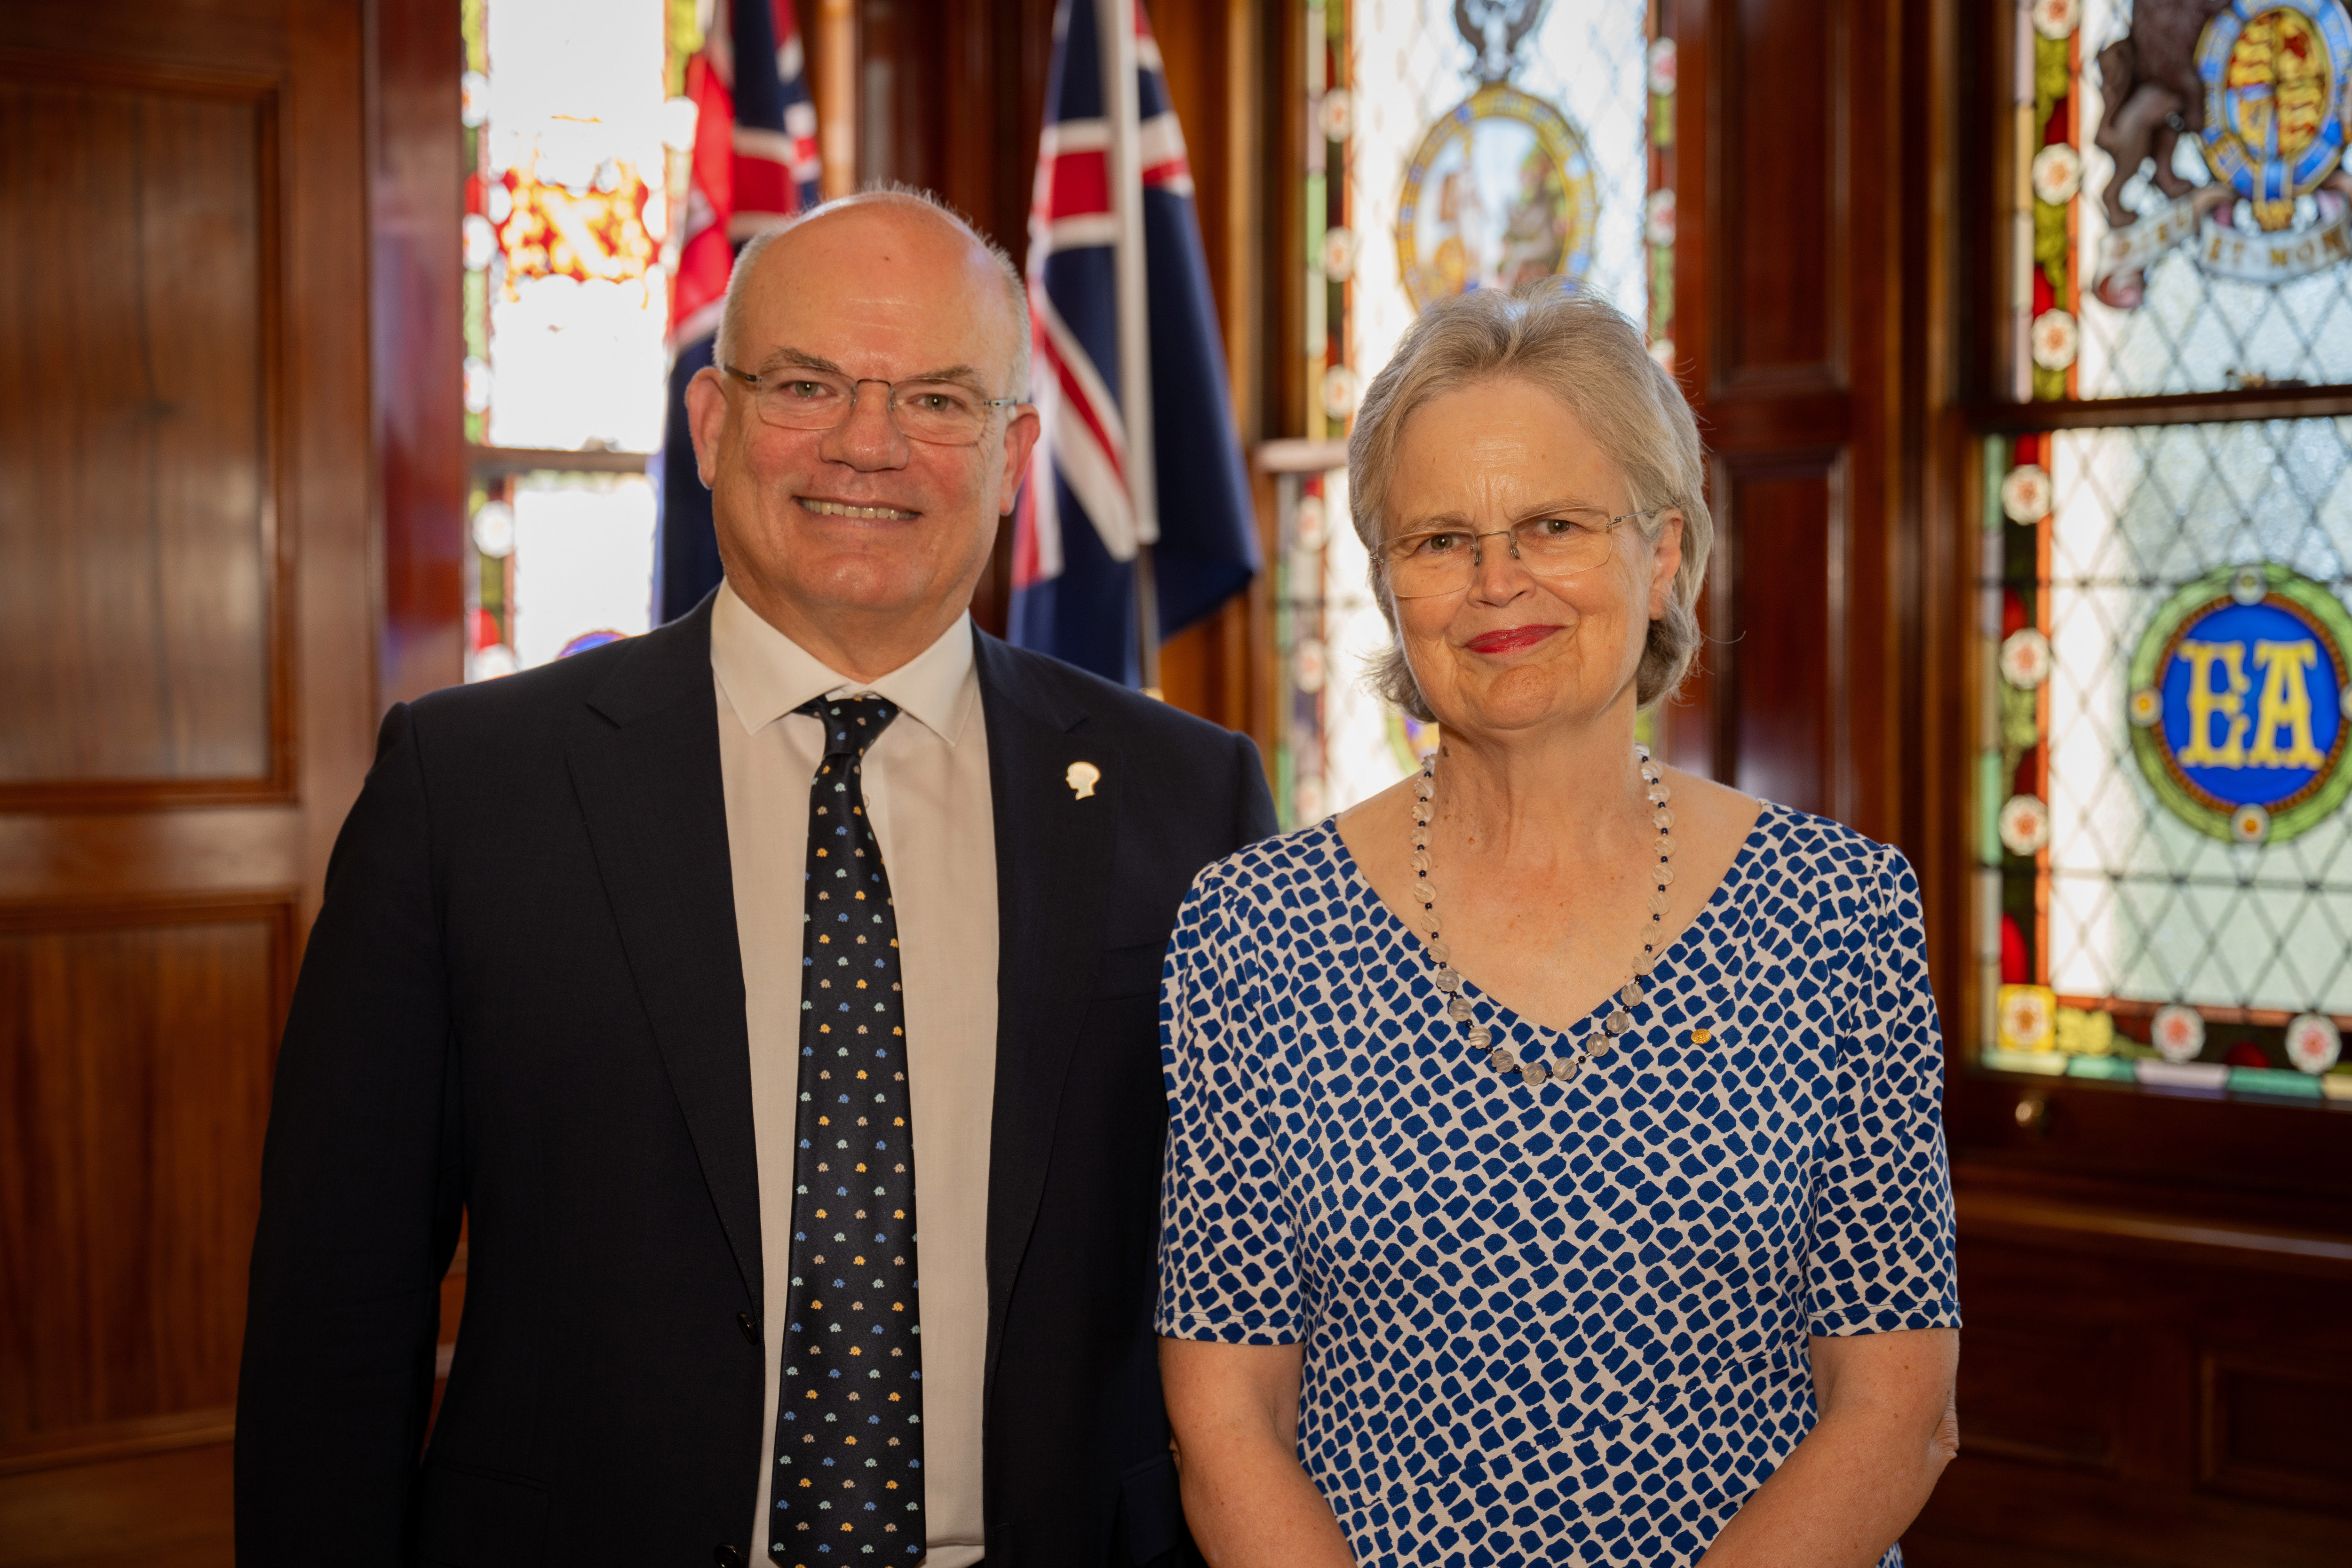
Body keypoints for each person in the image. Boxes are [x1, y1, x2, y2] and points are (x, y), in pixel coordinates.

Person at [236, 189, 1275, 1568]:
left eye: (938, 400)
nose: (868, 444)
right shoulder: (470, 788)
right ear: (713, 423)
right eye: (807, 385)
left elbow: (1263, 1289)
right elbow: (338, 1308)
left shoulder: (1189, 799)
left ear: (1015, 454)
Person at [1155, 286, 1960, 1568]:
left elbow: (1897, 1413)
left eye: (1555, 526)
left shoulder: (1838, 912)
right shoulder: (1254, 932)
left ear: (1663, 554)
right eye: (1439, 541)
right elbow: (1227, 1420)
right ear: (1388, 586)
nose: (1498, 583)